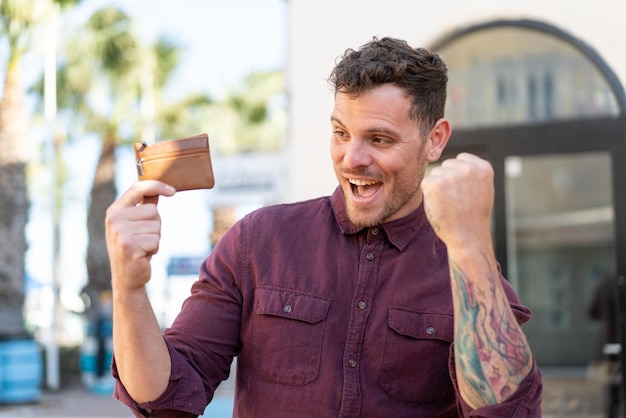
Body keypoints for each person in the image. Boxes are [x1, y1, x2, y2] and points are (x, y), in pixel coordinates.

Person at [105, 36, 543, 417]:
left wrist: (468, 246)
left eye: (379, 139)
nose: (351, 158)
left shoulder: (464, 265)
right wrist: (128, 287)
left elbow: (505, 410)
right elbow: (164, 396)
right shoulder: (258, 242)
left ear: (435, 139)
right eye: (340, 132)